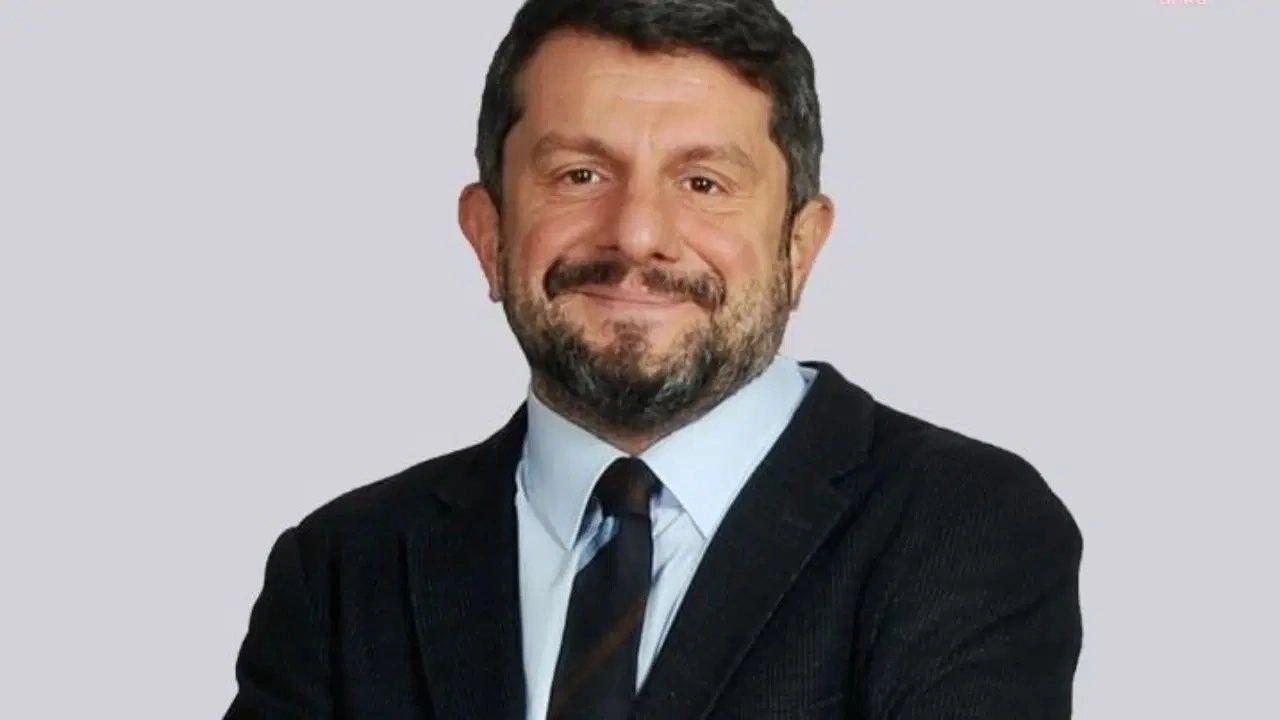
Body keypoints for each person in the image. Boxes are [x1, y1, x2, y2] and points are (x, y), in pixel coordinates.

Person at [224, 0, 1083, 717]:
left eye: (703, 183)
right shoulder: (342, 571)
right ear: (488, 234)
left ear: (800, 248)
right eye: (579, 175)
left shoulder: (962, 527)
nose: (637, 233)